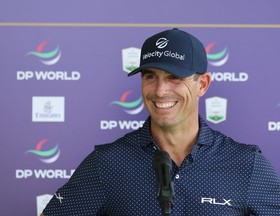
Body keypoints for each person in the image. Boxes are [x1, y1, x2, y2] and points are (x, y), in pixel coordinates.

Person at [41, 28, 280, 215]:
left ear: (203, 85)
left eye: (174, 77)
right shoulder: (107, 163)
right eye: (150, 76)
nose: (160, 90)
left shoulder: (247, 164)